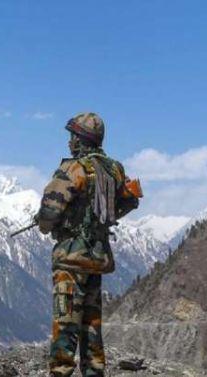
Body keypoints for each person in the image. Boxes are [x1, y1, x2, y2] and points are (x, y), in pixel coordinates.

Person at [35, 112, 140, 377]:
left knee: (66, 321)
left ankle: (61, 372)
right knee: (92, 323)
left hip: (70, 259)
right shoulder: (114, 169)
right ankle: (94, 371)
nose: (70, 141)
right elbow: (129, 201)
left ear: (81, 139)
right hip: (97, 258)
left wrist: (46, 224)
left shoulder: (74, 169)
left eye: (73, 136)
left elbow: (50, 210)